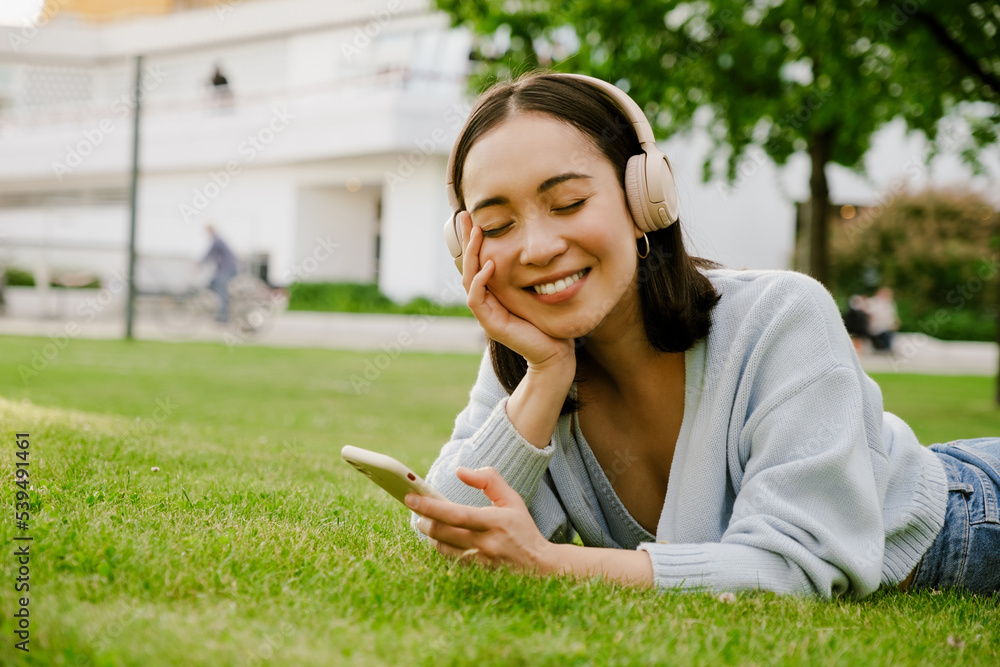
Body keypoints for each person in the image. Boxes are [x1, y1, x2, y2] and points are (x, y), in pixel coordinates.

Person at [404, 71, 1000, 598]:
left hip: (970, 511)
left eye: (568, 203)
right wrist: (545, 377)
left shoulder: (782, 315)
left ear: (645, 200)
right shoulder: (535, 358)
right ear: (468, 245)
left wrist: (551, 563)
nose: (537, 248)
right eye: (499, 224)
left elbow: (794, 568)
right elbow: (458, 526)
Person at [200, 224, 239, 323]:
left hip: (227, 269)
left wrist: (199, 264)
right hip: (226, 268)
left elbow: (208, 254)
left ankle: (223, 317)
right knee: (213, 284)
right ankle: (220, 311)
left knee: (222, 292)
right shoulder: (218, 240)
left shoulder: (216, 241)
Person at [866, 286, 900, 353]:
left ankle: (887, 348)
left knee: (889, 332)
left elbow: (893, 316)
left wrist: (895, 323)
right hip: (876, 326)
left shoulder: (890, 303)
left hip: (887, 327)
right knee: (884, 333)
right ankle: (886, 348)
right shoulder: (873, 302)